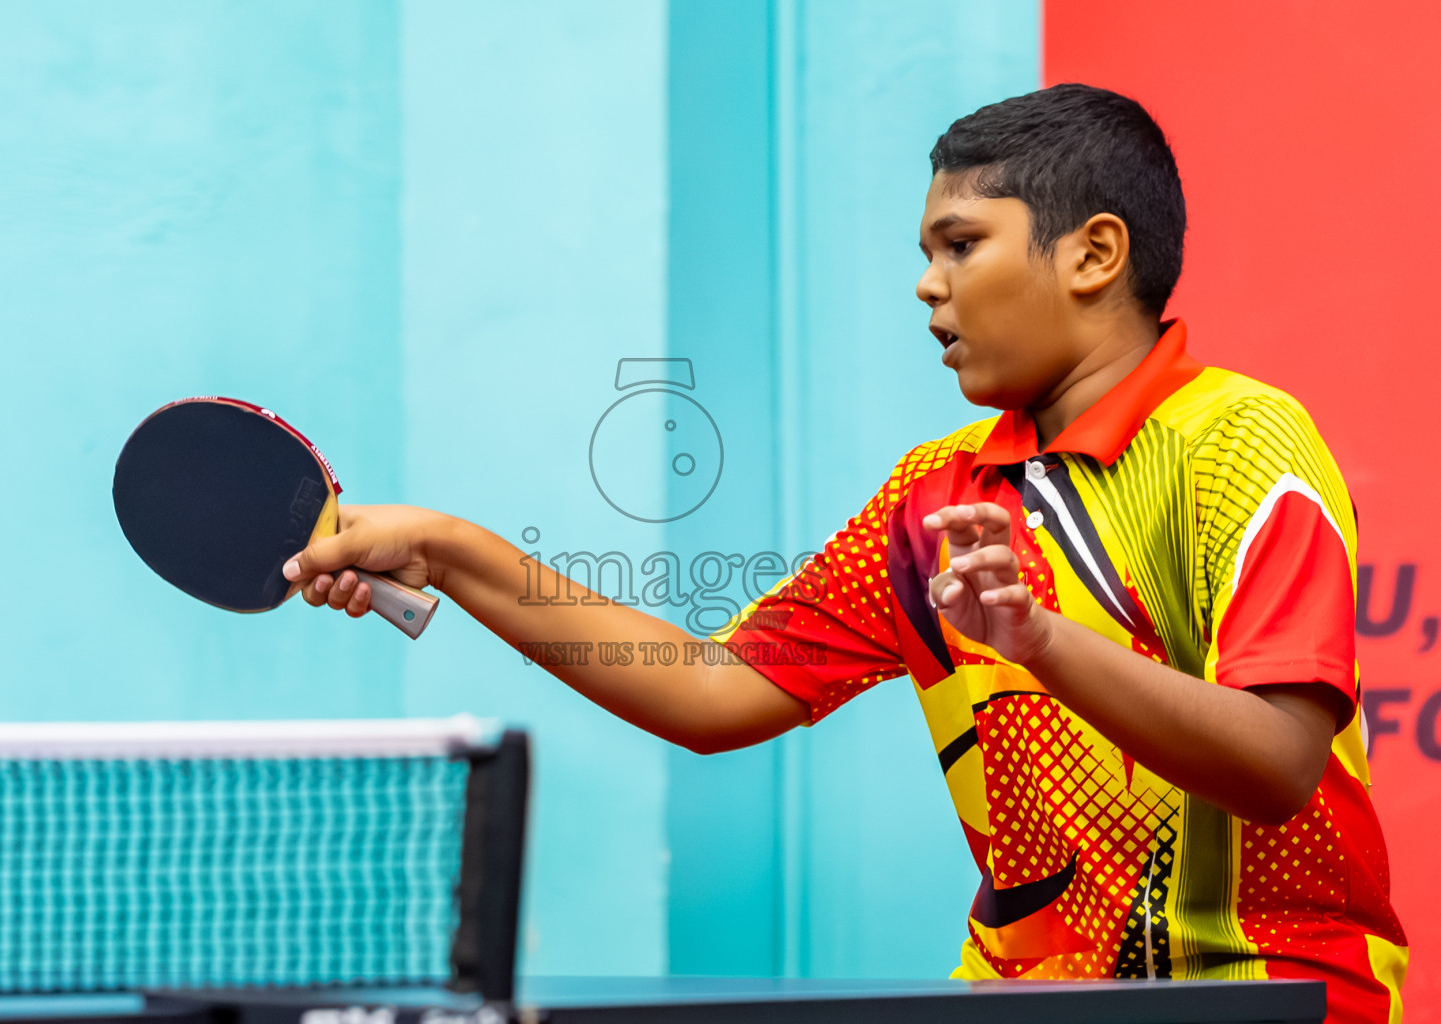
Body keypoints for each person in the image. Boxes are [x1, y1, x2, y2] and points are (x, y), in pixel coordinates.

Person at [282, 84, 1405, 1022]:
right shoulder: (937, 493)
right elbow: (714, 693)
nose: (928, 283)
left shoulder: (1242, 442)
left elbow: (1277, 762)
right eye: (927, 252)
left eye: (962, 244)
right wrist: (455, 550)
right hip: (1025, 997)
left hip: (1275, 995)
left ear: (1094, 253)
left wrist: (1039, 641)